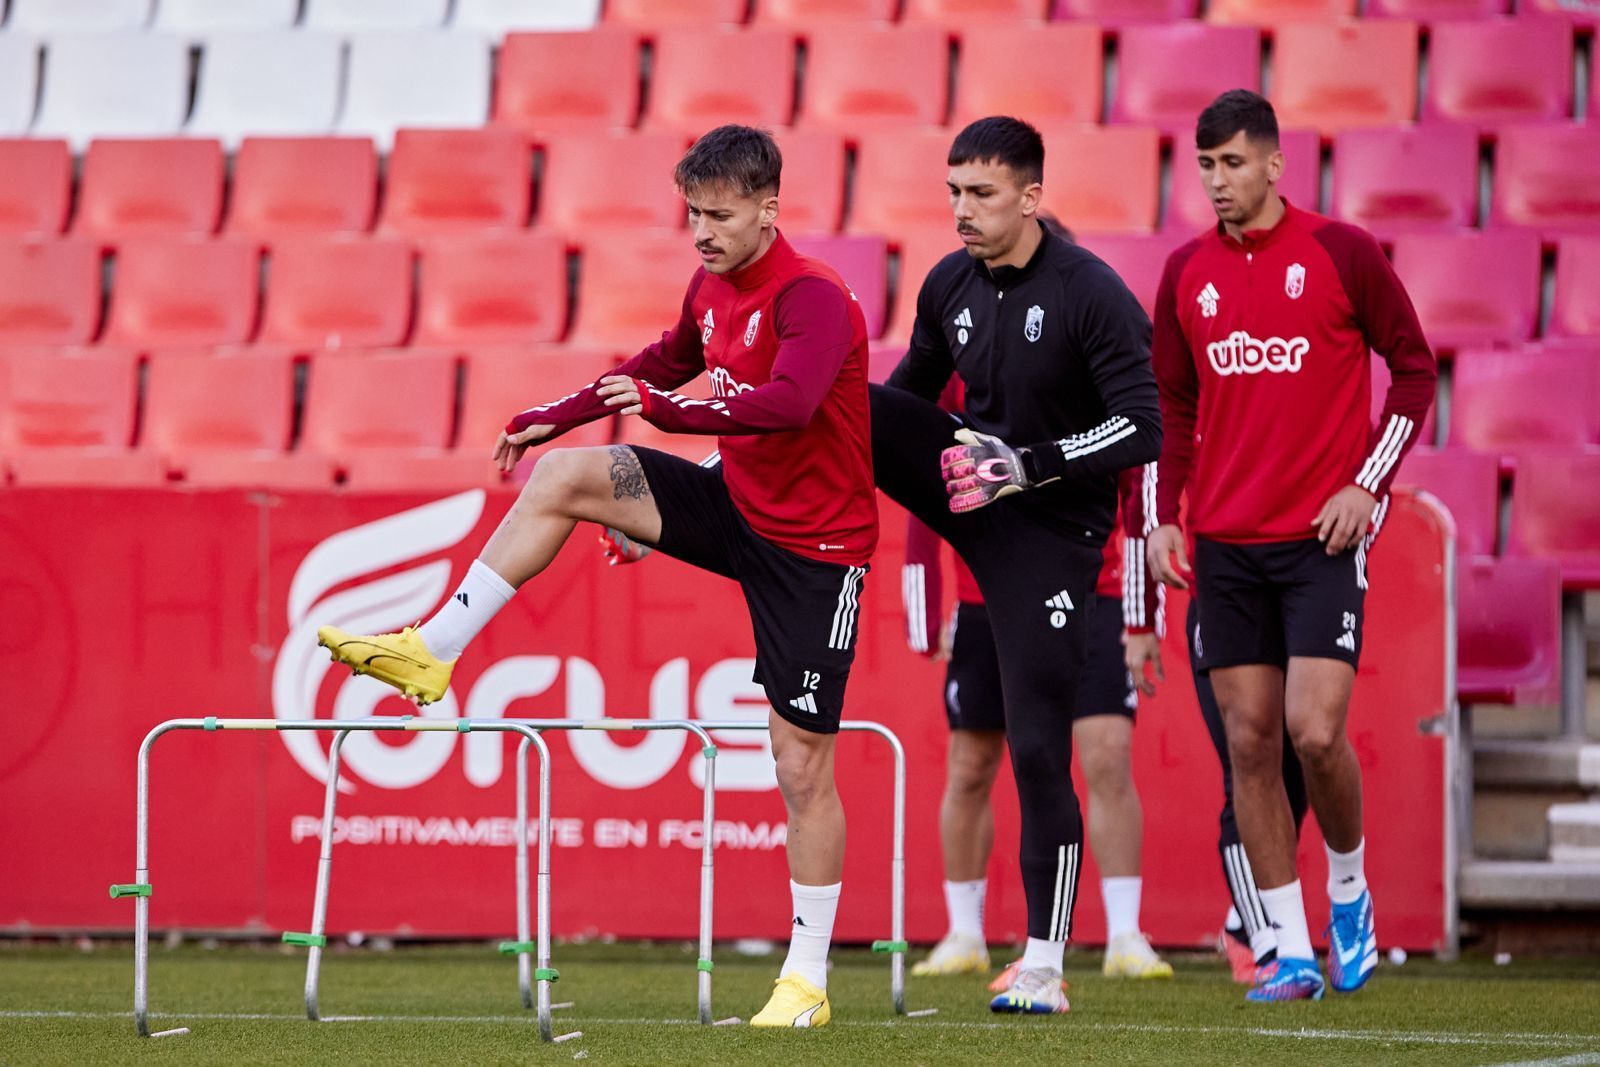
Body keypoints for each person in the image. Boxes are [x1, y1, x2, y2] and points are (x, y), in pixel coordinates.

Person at [317, 125, 875, 1029]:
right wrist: (553, 414)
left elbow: (790, 405)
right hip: (736, 508)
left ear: (770, 209)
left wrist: (669, 410)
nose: (701, 230)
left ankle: (805, 982)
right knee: (565, 475)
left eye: (720, 215)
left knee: (799, 765)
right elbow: (655, 367)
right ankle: (433, 649)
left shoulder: (814, 297)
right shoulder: (709, 286)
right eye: (691, 211)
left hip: (817, 551)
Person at [1145, 90, 1436, 1002]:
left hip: (1318, 537)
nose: (1218, 182)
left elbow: (1415, 370)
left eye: (1233, 164)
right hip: (1225, 546)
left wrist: (1367, 484)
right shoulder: (1185, 272)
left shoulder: (1342, 251)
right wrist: (1162, 514)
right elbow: (1174, 408)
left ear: (1274, 164)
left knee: (1314, 733)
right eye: (1205, 166)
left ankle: (1349, 895)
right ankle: (1288, 946)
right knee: (1250, 744)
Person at [871, 115, 1162, 1015]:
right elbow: (905, 402)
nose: (961, 210)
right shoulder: (948, 283)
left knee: (1041, 751)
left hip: (1051, 540)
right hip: (971, 524)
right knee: (850, 406)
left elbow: (1144, 428)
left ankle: (1043, 960)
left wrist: (1026, 464)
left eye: (982, 194)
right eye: (954, 191)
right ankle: (713, 496)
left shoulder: (1092, 291)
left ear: (1031, 197)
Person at [903, 445, 1172, 983]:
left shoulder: (1098, 374)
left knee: (1107, 758)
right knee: (971, 765)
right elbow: (925, 484)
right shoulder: (966, 366)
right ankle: (964, 932)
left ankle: (1124, 934)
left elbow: (1141, 489)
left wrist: (1143, 616)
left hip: (1098, 589)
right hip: (989, 595)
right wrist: (925, 606)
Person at [1123, 491, 1310, 983]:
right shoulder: (1191, 422)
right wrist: (1140, 618)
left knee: (1301, 766)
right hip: (1226, 596)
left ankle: (1241, 920)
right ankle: (1268, 940)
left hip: (1299, 586)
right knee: (1247, 765)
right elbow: (1142, 496)